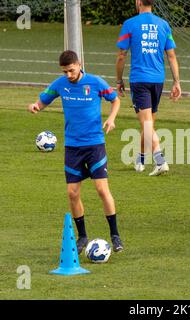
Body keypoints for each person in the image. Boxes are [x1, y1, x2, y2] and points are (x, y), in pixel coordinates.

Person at [28, 50, 124, 253]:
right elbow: (45, 100)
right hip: (72, 147)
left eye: (71, 70)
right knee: (72, 193)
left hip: (94, 144)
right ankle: (82, 237)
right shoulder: (60, 85)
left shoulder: (96, 83)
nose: (69, 75)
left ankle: (115, 235)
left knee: (101, 190)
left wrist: (111, 118)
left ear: (79, 65)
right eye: (65, 72)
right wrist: (36, 106)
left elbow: (115, 100)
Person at [116, 0, 181, 176]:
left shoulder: (130, 24)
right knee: (148, 123)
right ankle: (140, 159)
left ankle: (160, 160)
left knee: (146, 123)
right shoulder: (163, 24)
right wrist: (176, 82)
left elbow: (122, 55)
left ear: (138, 2)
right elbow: (172, 55)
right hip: (158, 80)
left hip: (139, 80)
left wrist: (118, 80)